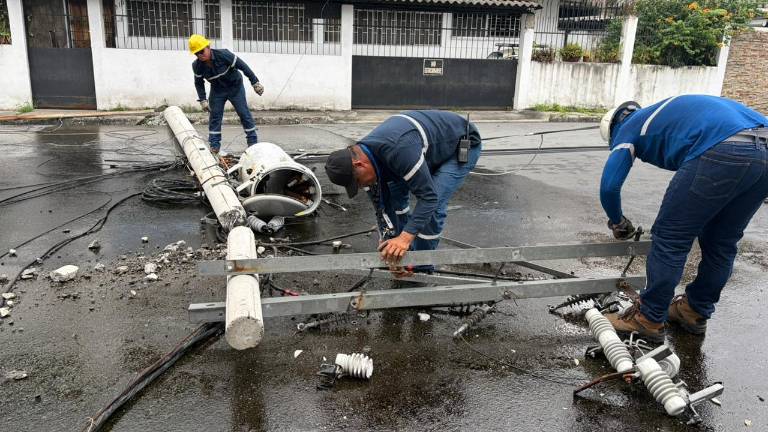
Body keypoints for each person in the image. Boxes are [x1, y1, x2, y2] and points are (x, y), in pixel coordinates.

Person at [599, 95, 768, 343]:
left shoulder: (629, 128)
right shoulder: (664, 114)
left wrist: (617, 222)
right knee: (722, 240)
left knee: (671, 237)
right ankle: (693, 311)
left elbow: (609, 188)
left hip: (723, 148)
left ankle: (648, 318)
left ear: (614, 128)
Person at [324, 110, 482, 274]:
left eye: (357, 181)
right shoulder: (366, 156)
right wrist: (390, 244)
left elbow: (428, 198)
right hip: (420, 151)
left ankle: (422, 267)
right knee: (394, 200)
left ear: (359, 165)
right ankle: (405, 258)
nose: (361, 185)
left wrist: (405, 238)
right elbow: (382, 206)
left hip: (459, 147)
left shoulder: (398, 149)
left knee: (432, 210)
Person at [189, 34, 264, 153]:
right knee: (215, 116)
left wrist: (255, 82)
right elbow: (198, 83)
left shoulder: (224, 54)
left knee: (243, 113)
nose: (200, 55)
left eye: (201, 51)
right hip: (217, 90)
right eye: (196, 53)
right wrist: (203, 100)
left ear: (208, 47)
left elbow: (243, 66)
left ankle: (253, 143)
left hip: (235, 87)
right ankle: (214, 146)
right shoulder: (197, 66)